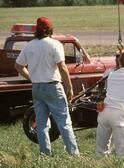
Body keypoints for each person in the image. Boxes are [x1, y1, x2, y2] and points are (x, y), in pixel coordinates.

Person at [15, 16, 79, 156]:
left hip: (37, 88)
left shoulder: (30, 45)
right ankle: (74, 154)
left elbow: (18, 66)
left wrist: (32, 78)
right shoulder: (55, 44)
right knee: (63, 121)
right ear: (50, 29)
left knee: (42, 124)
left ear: (36, 30)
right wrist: (69, 87)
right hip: (53, 86)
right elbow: (62, 67)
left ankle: (45, 154)